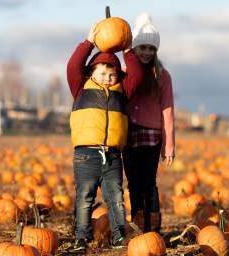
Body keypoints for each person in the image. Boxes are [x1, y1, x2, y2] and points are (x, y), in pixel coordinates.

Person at [66, 24, 144, 253]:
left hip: (112, 155)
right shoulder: (81, 87)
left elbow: (137, 74)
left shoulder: (123, 90)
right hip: (86, 154)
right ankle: (81, 237)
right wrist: (89, 42)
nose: (108, 78)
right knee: (84, 198)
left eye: (112, 74)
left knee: (116, 199)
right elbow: (73, 65)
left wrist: (127, 49)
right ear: (92, 72)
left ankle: (119, 237)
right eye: (103, 73)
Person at [123, 12, 175, 233]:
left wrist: (169, 146)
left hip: (151, 136)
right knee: (133, 183)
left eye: (151, 48)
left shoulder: (162, 75)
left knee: (148, 183)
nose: (146, 52)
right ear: (134, 48)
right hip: (128, 134)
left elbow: (168, 110)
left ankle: (153, 227)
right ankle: (137, 225)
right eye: (142, 47)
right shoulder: (125, 71)